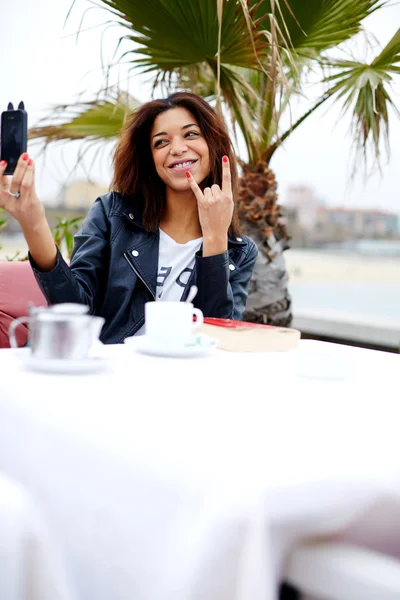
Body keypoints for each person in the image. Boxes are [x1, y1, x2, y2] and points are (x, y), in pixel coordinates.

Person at [0, 92, 258, 344]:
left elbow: (218, 340)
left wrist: (215, 239)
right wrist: (33, 222)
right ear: (151, 160)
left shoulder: (241, 252)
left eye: (191, 134)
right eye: (161, 142)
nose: (178, 149)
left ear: (213, 146)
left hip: (185, 379)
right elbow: (75, 309)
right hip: (109, 372)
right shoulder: (112, 214)